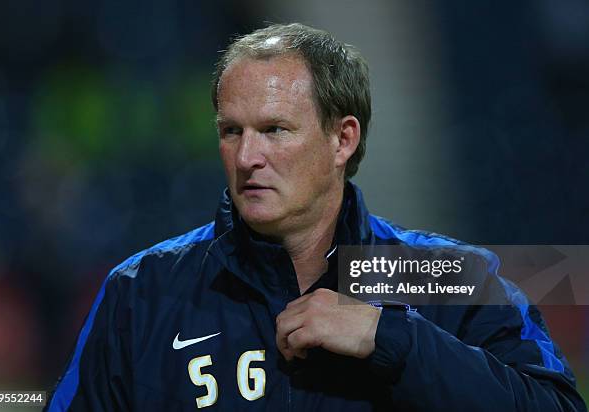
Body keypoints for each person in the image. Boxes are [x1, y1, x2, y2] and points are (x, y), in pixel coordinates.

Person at [46, 23, 586, 411]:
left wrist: (389, 337)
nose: (246, 157)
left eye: (275, 130)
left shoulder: (441, 275)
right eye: (231, 131)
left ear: (342, 138)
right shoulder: (143, 292)